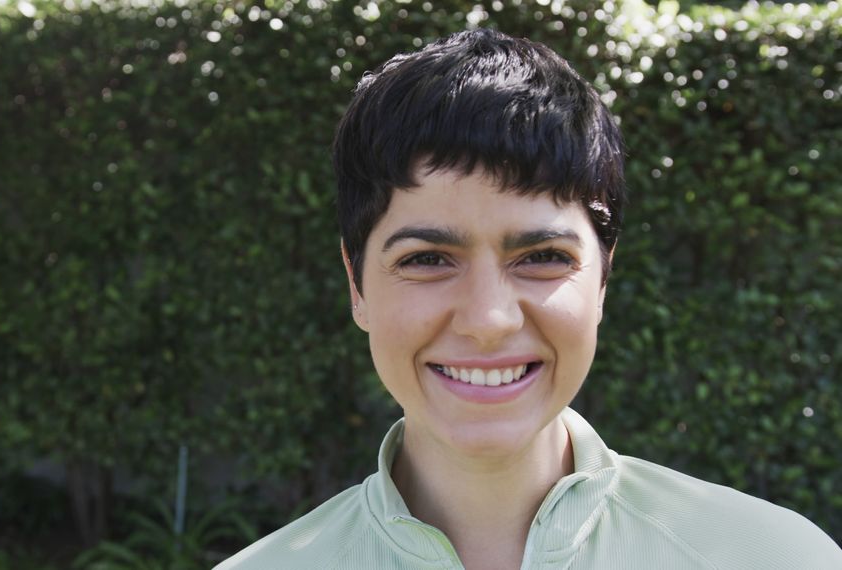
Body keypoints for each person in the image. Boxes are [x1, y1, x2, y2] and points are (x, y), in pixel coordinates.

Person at [215, 29, 842, 569]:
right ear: (357, 285)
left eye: (542, 258)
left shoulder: (779, 557)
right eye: (427, 259)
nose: (488, 320)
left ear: (602, 280)